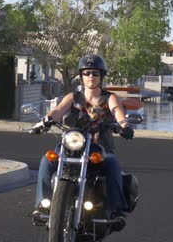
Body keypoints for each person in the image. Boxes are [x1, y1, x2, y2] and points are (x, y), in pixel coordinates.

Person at [32, 54, 134, 230]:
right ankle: (43, 204)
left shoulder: (109, 98)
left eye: (95, 73)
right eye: (87, 73)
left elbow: (117, 112)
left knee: (112, 163)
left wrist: (124, 125)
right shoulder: (74, 97)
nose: (91, 77)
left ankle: (116, 210)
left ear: (101, 76)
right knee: (47, 160)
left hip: (99, 147)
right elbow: (58, 110)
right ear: (82, 76)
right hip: (73, 145)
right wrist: (44, 121)